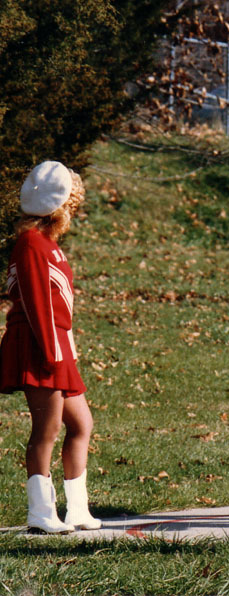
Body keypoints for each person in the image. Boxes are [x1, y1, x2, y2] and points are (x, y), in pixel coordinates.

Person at [0, 161, 101, 534]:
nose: (74, 209)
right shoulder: (30, 243)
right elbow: (36, 302)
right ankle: (40, 513)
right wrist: (51, 352)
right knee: (46, 428)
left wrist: (65, 351)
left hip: (57, 345)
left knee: (81, 424)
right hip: (39, 345)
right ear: (60, 205)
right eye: (71, 202)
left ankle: (77, 510)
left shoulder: (47, 244)